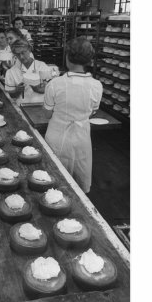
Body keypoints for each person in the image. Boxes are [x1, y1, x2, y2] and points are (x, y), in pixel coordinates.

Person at [43, 37, 103, 193]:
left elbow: (47, 114)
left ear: (68, 58)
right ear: (88, 60)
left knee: (54, 179)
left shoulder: (55, 84)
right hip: (81, 137)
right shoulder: (96, 86)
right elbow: (92, 112)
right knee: (79, 172)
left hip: (57, 136)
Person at [5, 38, 49, 104]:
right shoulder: (11, 72)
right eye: (18, 54)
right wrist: (17, 90)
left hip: (41, 105)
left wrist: (38, 89)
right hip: (21, 106)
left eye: (23, 53)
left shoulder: (41, 66)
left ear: (29, 50)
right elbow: (11, 95)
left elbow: (50, 89)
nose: (21, 57)